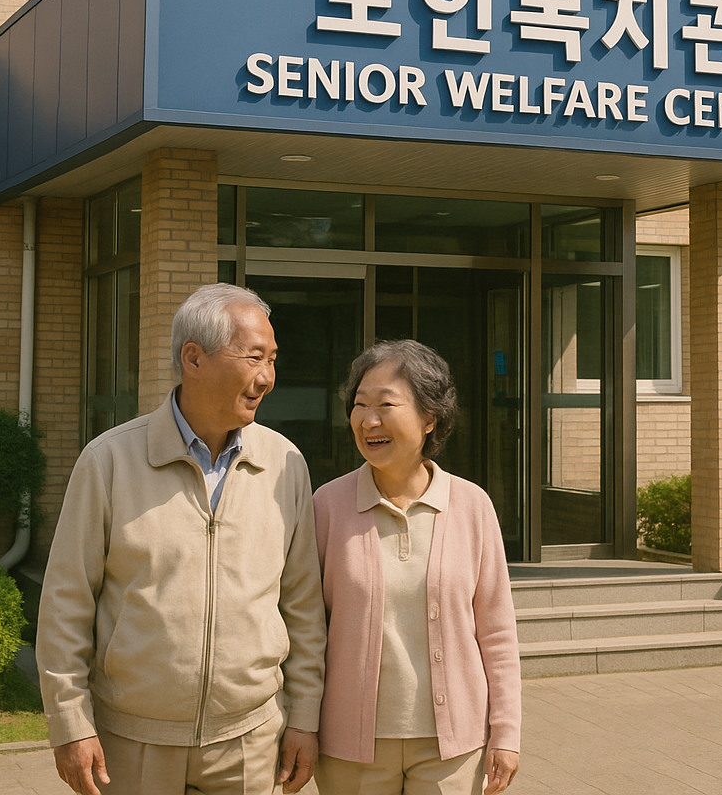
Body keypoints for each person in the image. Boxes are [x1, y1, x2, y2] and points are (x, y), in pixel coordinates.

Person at [38, 284, 327, 795]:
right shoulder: (108, 461)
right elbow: (67, 602)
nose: (267, 377)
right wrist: (70, 724)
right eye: (254, 357)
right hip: (132, 743)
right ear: (193, 358)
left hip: (250, 742)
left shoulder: (286, 463)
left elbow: (302, 604)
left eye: (272, 359)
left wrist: (303, 716)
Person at [312, 339, 521, 795]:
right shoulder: (327, 506)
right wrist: (301, 723)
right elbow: (307, 630)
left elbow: (497, 632)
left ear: (430, 418)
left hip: (452, 749)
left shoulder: (472, 506)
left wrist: (506, 732)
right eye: (359, 405)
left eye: (386, 405)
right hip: (349, 748)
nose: (369, 420)